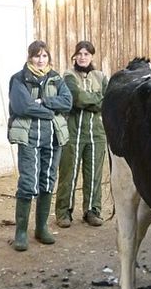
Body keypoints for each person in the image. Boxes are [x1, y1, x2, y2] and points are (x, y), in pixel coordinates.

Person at [8, 40, 72, 251]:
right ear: (29, 57)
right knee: (28, 182)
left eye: (44, 56)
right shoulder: (19, 79)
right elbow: (21, 106)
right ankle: (21, 232)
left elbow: (68, 102)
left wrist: (43, 102)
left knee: (47, 180)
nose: (41, 59)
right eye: (37, 56)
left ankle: (42, 228)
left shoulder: (56, 78)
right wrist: (50, 111)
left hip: (53, 137)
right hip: (29, 136)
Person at [55, 41, 109, 228]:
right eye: (80, 54)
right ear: (75, 56)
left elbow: (108, 101)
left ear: (92, 56)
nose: (83, 57)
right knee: (68, 174)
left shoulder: (100, 77)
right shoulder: (69, 76)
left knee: (94, 174)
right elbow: (76, 98)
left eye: (87, 54)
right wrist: (97, 99)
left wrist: (97, 101)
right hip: (73, 132)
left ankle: (92, 211)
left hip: (97, 133)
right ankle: (64, 212)